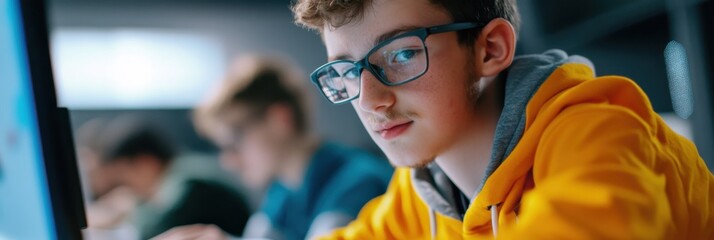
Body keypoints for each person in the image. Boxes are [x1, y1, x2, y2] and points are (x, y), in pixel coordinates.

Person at [289, 0, 714, 239]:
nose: (370, 100)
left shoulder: (598, 133)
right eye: (346, 71)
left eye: (401, 54)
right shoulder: (423, 191)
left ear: (490, 48)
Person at [154, 55, 393, 240]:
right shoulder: (282, 193)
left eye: (234, 143)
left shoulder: (360, 182)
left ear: (279, 119)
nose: (229, 160)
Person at [76, 116, 252, 239]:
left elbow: (161, 229)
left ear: (146, 163)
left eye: (124, 175)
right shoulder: (185, 168)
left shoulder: (189, 182)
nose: (125, 185)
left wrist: (130, 209)